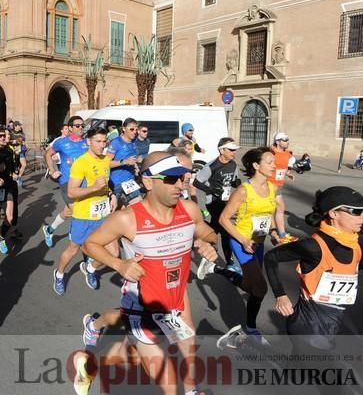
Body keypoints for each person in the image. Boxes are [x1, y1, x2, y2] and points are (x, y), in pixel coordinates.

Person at [77, 151, 218, 395]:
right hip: (141, 308)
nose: (179, 185)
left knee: (186, 349)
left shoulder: (189, 209)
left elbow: (208, 233)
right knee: (169, 387)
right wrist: (119, 264)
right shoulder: (127, 219)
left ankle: (88, 365)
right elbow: (90, 244)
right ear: (148, 182)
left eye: (182, 178)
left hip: (177, 300)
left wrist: (209, 244)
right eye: (171, 179)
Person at [264, 186, 363, 357]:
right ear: (334, 213)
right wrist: (281, 295)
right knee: (313, 371)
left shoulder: (354, 244)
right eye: (356, 212)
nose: (362, 217)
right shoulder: (313, 247)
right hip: (308, 326)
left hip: (332, 322)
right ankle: (246, 344)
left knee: (298, 370)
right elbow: (271, 258)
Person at [214, 147, 282, 349]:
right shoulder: (244, 190)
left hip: (258, 241)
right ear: (256, 165)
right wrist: (243, 240)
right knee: (260, 288)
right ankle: (251, 328)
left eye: (274, 161)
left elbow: (268, 215)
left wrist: (274, 232)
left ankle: (223, 271)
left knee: (254, 288)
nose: (274, 165)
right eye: (269, 162)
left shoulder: (272, 188)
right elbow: (223, 219)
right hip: (241, 240)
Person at [53, 127, 115, 295]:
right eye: (98, 142)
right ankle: (59, 274)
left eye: (104, 142)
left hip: (103, 215)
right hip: (84, 216)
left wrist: (111, 194)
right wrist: (94, 187)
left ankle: (90, 268)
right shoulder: (81, 162)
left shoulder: (105, 160)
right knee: (73, 249)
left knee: (113, 253)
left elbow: (105, 184)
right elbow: (72, 191)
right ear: (89, 142)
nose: (102, 146)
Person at [193, 137, 242, 269]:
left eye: (235, 150)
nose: (234, 153)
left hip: (225, 201)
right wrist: (212, 190)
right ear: (222, 150)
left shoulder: (233, 165)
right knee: (226, 231)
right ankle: (230, 263)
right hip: (213, 202)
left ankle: (201, 240)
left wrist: (236, 183)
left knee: (215, 229)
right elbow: (196, 182)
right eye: (231, 150)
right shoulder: (212, 166)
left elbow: (233, 181)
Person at [42, 116, 88, 247]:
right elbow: (48, 154)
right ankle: (80, 243)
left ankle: (49, 230)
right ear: (71, 128)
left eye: (82, 126)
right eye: (78, 126)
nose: (81, 128)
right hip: (67, 182)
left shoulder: (86, 143)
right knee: (77, 211)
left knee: (68, 211)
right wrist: (52, 170)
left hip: (83, 182)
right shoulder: (61, 142)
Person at [0, 126, 20, 254]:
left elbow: (12, 169)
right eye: (0, 136)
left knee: (10, 216)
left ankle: (1, 237)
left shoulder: (8, 151)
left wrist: (15, 173)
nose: (3, 138)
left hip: (7, 186)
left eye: (3, 135)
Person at [106, 118, 143, 207]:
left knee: (137, 206)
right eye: (131, 129)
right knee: (115, 212)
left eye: (136, 129)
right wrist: (124, 162)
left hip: (129, 182)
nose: (135, 132)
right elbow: (106, 164)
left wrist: (136, 165)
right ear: (123, 129)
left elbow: (131, 159)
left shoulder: (133, 142)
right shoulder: (116, 142)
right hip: (116, 183)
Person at [269, 132, 298, 244]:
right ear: (277, 142)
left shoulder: (286, 153)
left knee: (277, 208)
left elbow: (283, 166)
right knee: (279, 207)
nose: (287, 142)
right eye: (284, 140)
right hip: (270, 184)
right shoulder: (270, 153)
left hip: (279, 184)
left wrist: (288, 173)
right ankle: (279, 234)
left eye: (287, 140)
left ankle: (278, 233)